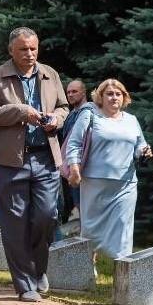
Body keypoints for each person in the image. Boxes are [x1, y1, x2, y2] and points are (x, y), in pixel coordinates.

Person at [0, 27, 68, 302]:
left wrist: (57, 118)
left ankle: (37, 269)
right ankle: (24, 284)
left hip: (45, 156)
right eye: (23, 49)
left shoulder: (49, 74)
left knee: (46, 216)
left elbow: (64, 106)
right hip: (10, 161)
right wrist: (21, 111)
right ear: (11, 51)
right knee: (14, 222)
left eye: (33, 48)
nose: (29, 54)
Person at [66, 79, 151, 259]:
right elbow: (73, 144)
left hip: (125, 184)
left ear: (124, 97)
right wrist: (74, 168)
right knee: (91, 230)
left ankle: (122, 273)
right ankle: (88, 267)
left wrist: (144, 151)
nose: (114, 98)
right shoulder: (90, 116)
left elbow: (139, 145)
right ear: (101, 97)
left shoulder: (131, 120)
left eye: (118, 94)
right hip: (94, 182)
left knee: (123, 230)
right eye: (110, 94)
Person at [59, 79, 89, 222]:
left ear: (83, 92)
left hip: (85, 168)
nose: (70, 95)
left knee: (87, 209)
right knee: (79, 206)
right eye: (68, 92)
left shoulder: (89, 112)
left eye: (74, 91)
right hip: (72, 166)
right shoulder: (71, 114)